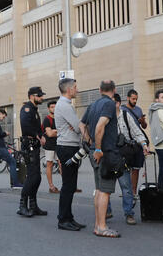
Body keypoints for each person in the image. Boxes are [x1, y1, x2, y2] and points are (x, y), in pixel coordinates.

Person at [83, 80, 123, 238]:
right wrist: (98, 148)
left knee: (99, 190)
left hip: (96, 152)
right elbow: (100, 126)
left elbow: (81, 125)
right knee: (105, 191)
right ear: (114, 90)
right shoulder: (109, 105)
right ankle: (101, 226)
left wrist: (89, 141)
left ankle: (97, 224)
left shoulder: (93, 105)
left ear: (100, 90)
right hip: (105, 153)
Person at [54, 78, 87, 231]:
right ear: (69, 89)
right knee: (68, 186)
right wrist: (79, 125)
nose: (77, 90)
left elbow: (75, 125)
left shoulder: (66, 105)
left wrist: (76, 125)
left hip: (70, 147)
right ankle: (63, 220)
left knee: (71, 185)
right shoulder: (64, 106)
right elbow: (77, 126)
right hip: (66, 148)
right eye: (75, 87)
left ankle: (69, 217)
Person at [115, 93, 147, 225]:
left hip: (123, 155)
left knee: (126, 186)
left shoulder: (124, 115)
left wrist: (144, 144)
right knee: (104, 188)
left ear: (118, 103)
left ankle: (129, 213)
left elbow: (136, 131)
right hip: (108, 154)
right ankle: (106, 211)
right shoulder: (103, 117)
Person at [17, 87, 47, 217]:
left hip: (34, 146)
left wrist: (42, 134)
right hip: (28, 146)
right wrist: (37, 135)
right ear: (31, 96)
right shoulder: (27, 109)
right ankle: (22, 206)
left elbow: (37, 127)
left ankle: (33, 206)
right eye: (39, 95)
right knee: (32, 176)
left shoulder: (34, 110)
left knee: (37, 177)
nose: (41, 98)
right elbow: (26, 126)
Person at [123, 89, 148, 198]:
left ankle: (133, 192)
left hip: (137, 142)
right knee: (126, 168)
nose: (135, 101)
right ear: (128, 98)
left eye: (136, 99)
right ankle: (127, 192)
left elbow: (144, 126)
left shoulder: (138, 109)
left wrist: (142, 120)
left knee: (136, 168)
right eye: (133, 99)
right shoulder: (122, 110)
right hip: (127, 143)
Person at [42, 100, 60, 194]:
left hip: (59, 144)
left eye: (55, 106)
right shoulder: (47, 119)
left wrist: (55, 131)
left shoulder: (59, 118)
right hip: (49, 145)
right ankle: (51, 186)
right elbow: (49, 134)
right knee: (49, 164)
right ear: (49, 109)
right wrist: (59, 131)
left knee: (61, 164)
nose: (54, 108)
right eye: (52, 107)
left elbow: (65, 130)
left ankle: (65, 185)